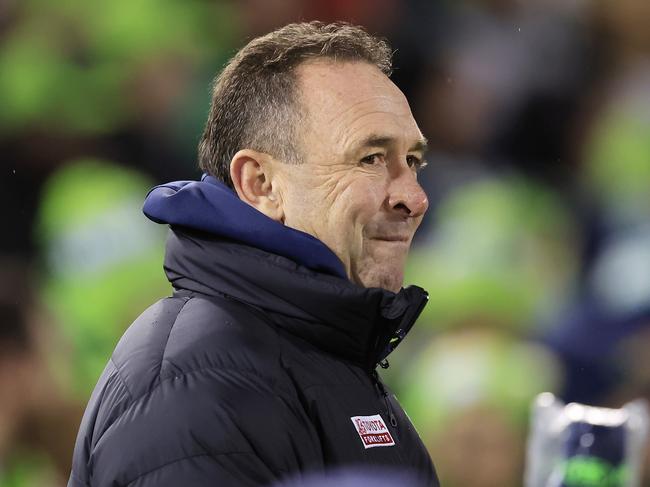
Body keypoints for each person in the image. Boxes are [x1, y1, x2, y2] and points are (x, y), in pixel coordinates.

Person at [68, 21, 439, 487]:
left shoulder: (318, 352)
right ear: (260, 184)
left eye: (413, 162)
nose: (415, 198)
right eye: (370, 159)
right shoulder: (198, 386)